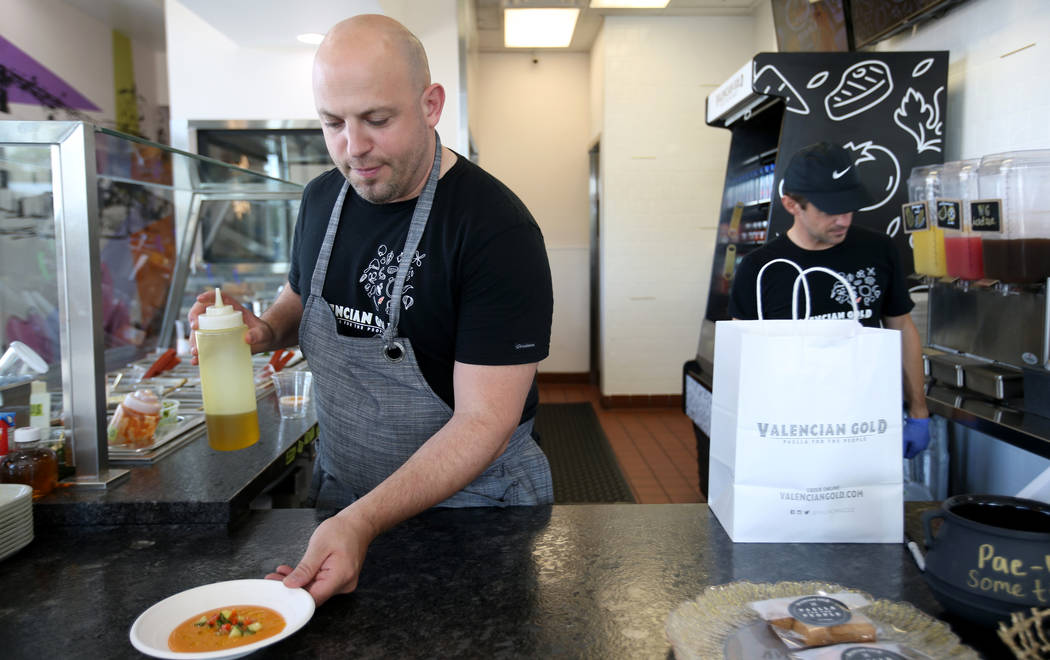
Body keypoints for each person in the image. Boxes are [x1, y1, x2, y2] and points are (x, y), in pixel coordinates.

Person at [188, 14, 554, 606]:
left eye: (377, 120)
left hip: (472, 513)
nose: (352, 148)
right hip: (343, 496)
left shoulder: (495, 229)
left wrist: (363, 521)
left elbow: (485, 421)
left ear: (431, 104)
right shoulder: (322, 197)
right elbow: (304, 296)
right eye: (333, 123)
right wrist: (265, 328)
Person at [727, 141, 930, 459]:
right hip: (788, 428)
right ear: (792, 204)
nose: (843, 220)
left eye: (848, 207)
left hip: (865, 418)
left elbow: (900, 327)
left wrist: (919, 411)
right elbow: (740, 359)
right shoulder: (760, 269)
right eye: (828, 210)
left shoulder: (879, 250)